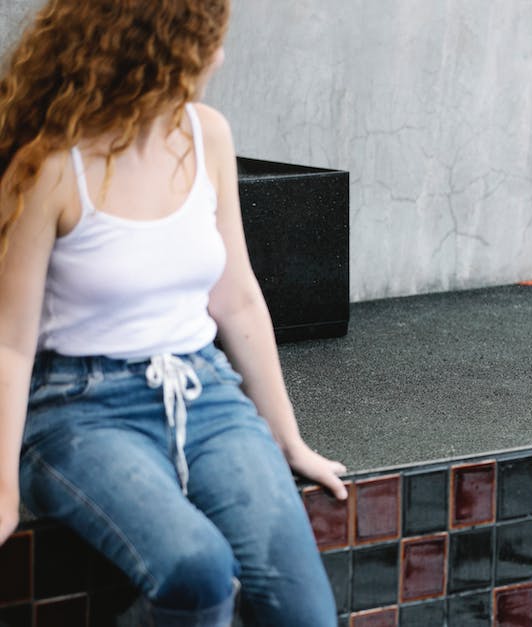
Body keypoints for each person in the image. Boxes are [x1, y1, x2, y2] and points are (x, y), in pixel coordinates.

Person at [0, 1, 347, 624]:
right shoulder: (51, 166)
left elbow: (236, 295)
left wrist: (287, 437)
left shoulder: (206, 134)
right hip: (80, 411)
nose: (220, 55)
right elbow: (9, 342)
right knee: (196, 573)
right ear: (162, 49)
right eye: (209, 40)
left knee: (301, 611)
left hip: (204, 391)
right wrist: (1, 489)